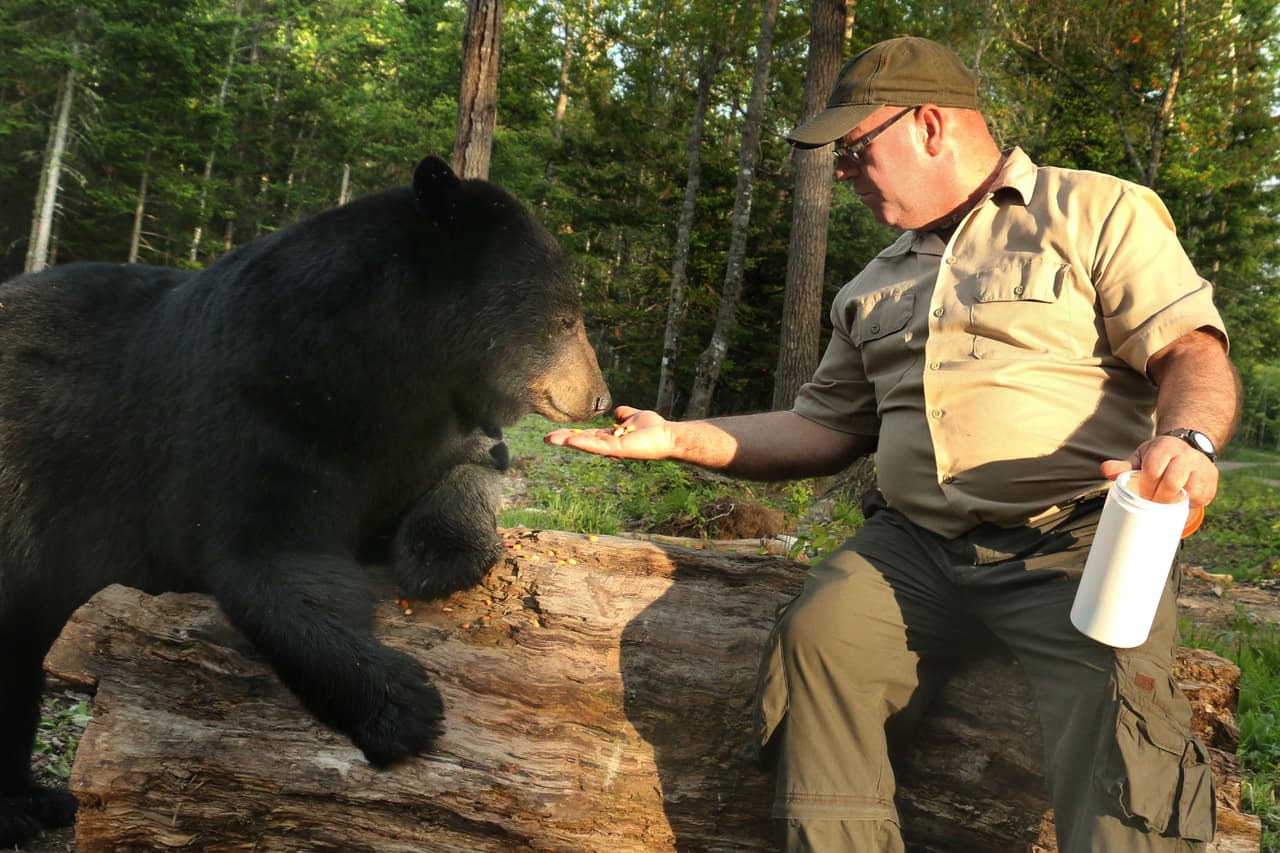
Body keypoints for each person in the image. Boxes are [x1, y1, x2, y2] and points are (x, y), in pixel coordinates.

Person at [546, 35, 1241, 853]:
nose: (841, 173)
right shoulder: (871, 285)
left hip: (1076, 539)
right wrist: (675, 438)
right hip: (916, 550)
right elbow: (821, 430)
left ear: (929, 125)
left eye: (852, 150)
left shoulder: (1096, 212)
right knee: (821, 636)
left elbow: (1191, 351)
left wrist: (1187, 439)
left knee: (1123, 710)